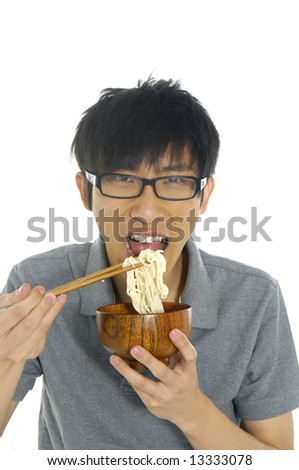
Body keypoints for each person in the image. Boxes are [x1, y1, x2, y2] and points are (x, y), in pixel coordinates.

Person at [0, 78, 299, 450]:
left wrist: (191, 411)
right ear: (85, 192)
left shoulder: (254, 298)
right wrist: (5, 358)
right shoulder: (39, 283)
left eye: (174, 180)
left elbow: (279, 458)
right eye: (123, 179)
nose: (146, 211)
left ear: (203, 196)